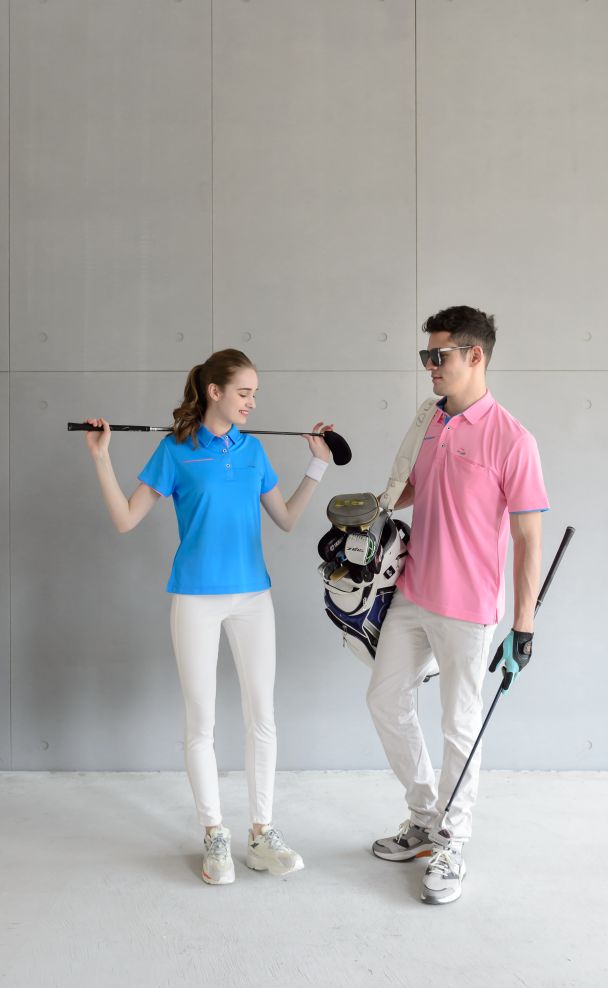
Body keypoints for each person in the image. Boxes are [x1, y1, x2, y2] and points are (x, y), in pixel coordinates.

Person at [84, 349, 332, 884]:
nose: (252, 402)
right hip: (195, 597)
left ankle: (261, 834)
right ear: (215, 391)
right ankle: (215, 834)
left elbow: (287, 519)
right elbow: (125, 519)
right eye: (244, 392)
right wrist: (102, 458)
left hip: (253, 598)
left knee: (262, 716)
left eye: (255, 393)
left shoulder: (253, 450)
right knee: (201, 721)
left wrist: (317, 465)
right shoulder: (175, 451)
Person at [367, 306, 549, 905]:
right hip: (412, 591)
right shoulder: (430, 421)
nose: (429, 366)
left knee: (459, 725)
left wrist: (523, 626)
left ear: (475, 356)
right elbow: (415, 487)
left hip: (468, 608)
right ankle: (425, 816)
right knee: (384, 699)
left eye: (438, 355)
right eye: (426, 356)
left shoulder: (513, 440)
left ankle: (452, 839)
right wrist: (371, 506)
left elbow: (528, 539)